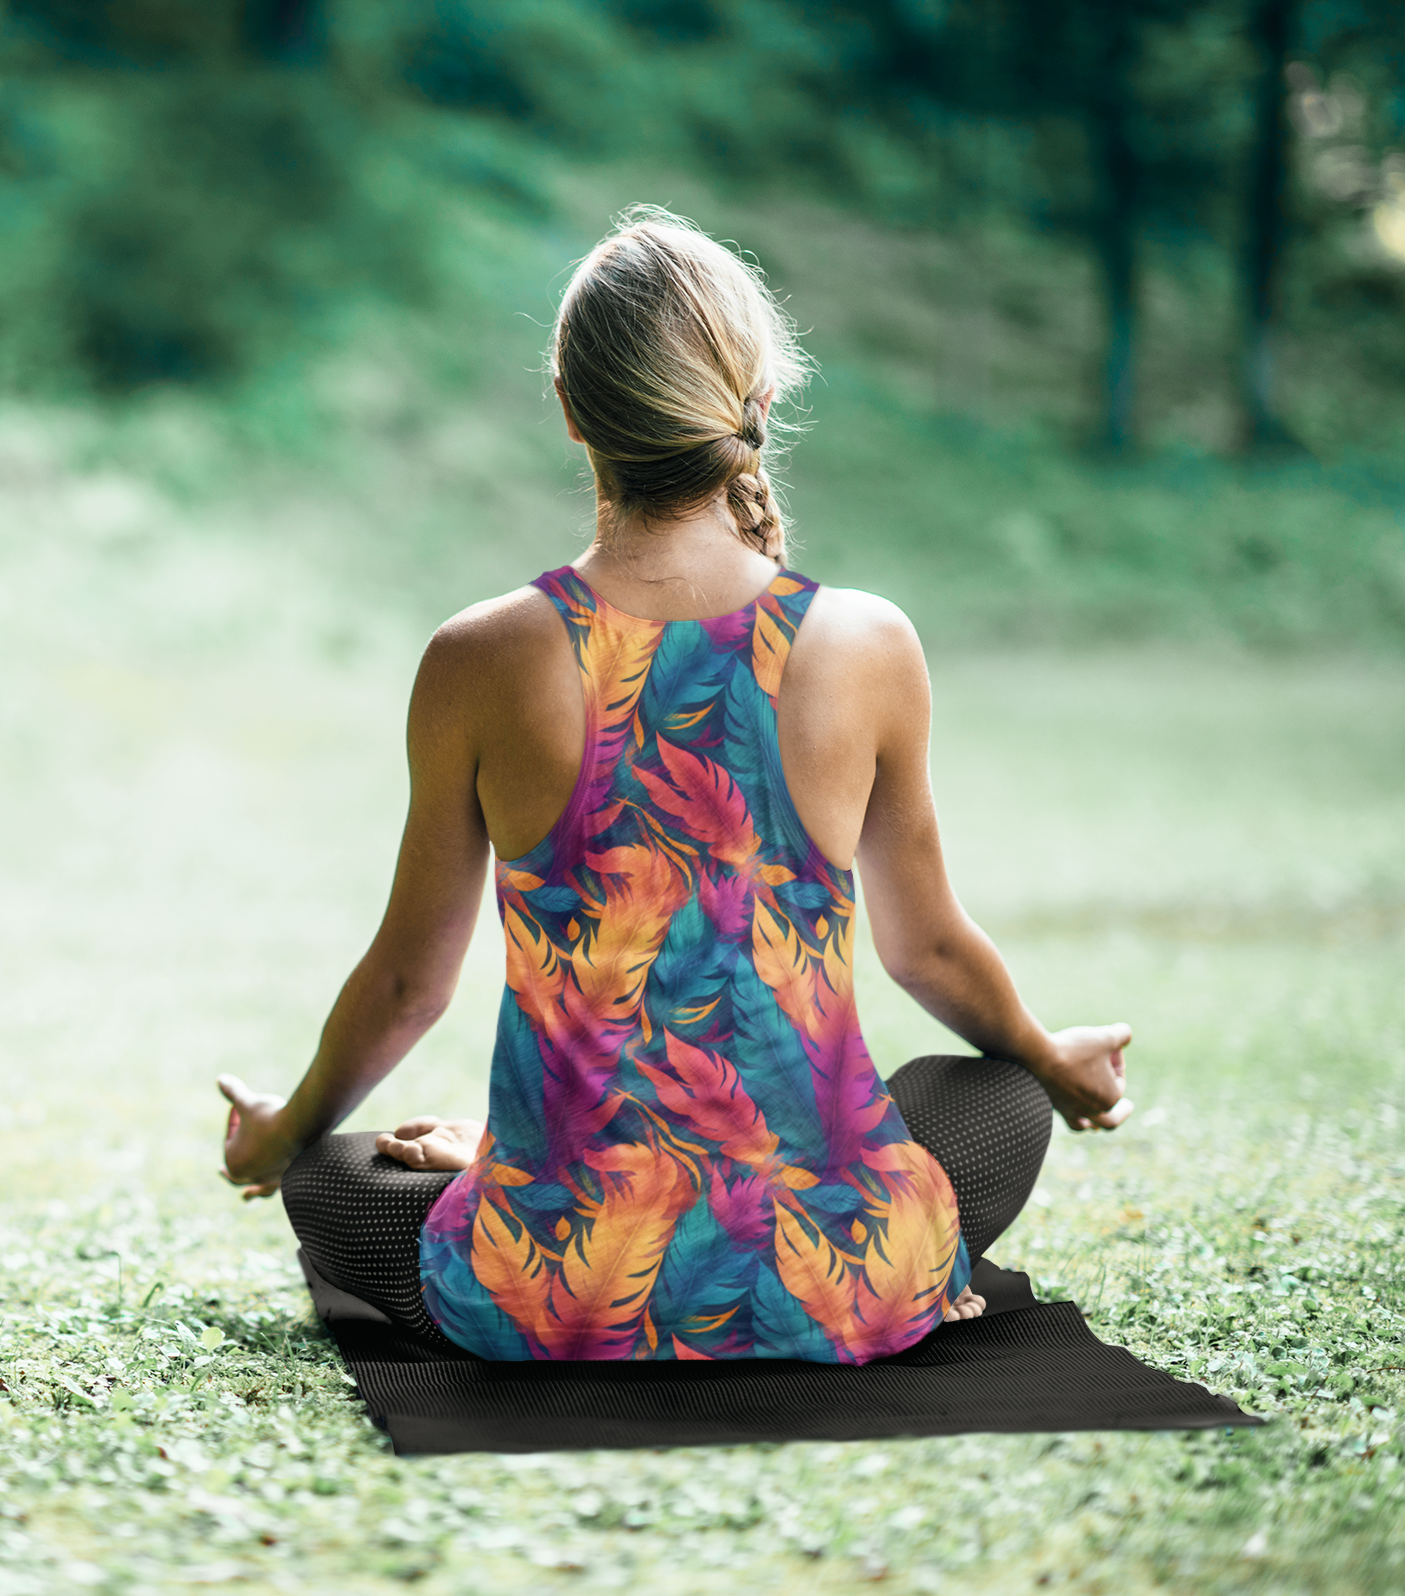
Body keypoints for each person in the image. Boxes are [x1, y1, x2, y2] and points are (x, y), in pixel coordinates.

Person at [219, 208, 1132, 1365]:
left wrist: (282, 1132)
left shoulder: (478, 657)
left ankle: (510, 1168)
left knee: (337, 1177)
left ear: (570, 411)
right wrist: (1054, 1063)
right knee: (992, 1092)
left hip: (563, 1293)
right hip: (829, 1279)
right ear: (756, 404)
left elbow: (409, 983)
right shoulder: (867, 642)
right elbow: (933, 956)